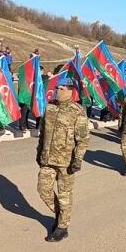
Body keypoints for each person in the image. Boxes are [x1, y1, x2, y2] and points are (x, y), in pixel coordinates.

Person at [36, 78, 89, 242]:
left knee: (64, 194)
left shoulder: (77, 111)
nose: (58, 91)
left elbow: (83, 139)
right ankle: (60, 214)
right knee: (43, 190)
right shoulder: (50, 107)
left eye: (62, 88)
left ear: (70, 90)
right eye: (57, 88)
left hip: (66, 162)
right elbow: (43, 133)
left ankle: (62, 227)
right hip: (48, 159)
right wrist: (39, 152)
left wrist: (78, 160)